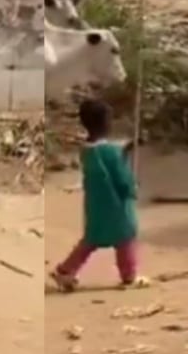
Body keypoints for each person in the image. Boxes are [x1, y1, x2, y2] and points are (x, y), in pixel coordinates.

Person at [50, 99, 150, 293]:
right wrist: (132, 188)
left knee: (91, 240)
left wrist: (127, 149)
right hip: (116, 204)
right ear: (105, 123)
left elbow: (106, 160)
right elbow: (121, 175)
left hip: (97, 205)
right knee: (126, 237)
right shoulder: (109, 151)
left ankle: (65, 270)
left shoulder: (87, 149)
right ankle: (129, 276)